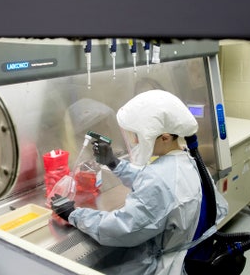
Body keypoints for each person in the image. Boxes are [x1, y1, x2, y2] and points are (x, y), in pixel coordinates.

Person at [51, 89, 228, 275]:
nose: (135, 140)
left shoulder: (159, 179)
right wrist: (115, 164)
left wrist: (74, 214)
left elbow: (122, 229)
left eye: (138, 135)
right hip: (196, 255)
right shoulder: (190, 161)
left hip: (168, 266)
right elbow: (159, 183)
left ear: (165, 137)